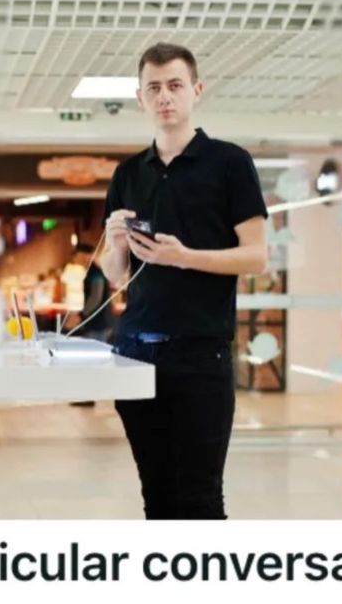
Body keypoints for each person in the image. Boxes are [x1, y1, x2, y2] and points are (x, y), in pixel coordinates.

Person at [100, 42, 268, 520]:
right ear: (140, 98)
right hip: (135, 351)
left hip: (201, 353)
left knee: (199, 498)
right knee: (157, 496)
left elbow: (256, 257)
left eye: (175, 85)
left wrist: (185, 257)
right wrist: (115, 245)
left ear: (196, 90)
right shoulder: (127, 174)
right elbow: (116, 278)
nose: (164, 97)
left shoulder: (230, 163)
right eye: (153, 88)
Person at [67, 242, 115, 407]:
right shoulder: (93, 272)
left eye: (77, 255)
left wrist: (82, 315)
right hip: (99, 322)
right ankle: (89, 396)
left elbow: (95, 297)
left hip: (98, 323)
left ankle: (88, 397)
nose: (76, 259)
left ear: (86, 255)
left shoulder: (95, 273)